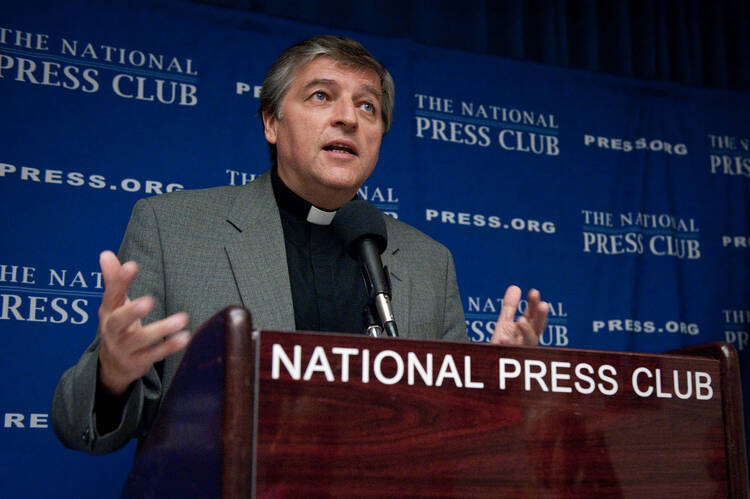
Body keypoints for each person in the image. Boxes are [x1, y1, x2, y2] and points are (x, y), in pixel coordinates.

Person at [51, 35, 549, 455]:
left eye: (367, 106)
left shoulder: (427, 262)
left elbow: (456, 441)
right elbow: (77, 426)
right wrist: (112, 374)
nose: (348, 118)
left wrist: (498, 385)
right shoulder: (173, 227)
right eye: (320, 96)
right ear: (271, 122)